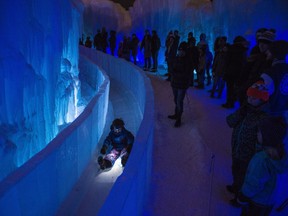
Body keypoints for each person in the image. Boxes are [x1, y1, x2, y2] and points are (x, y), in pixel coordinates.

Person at [226, 81, 269, 206]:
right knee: (235, 169)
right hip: (237, 148)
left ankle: (240, 197)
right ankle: (235, 186)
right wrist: (240, 112)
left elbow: (261, 141)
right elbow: (229, 122)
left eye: (253, 98)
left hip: (249, 155)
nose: (249, 99)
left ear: (262, 99)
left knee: (244, 176)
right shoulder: (245, 109)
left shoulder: (263, 118)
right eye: (249, 96)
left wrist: (255, 157)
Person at [237, 116, 288, 216]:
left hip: (256, 202)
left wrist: (243, 197)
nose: (257, 134)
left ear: (267, 137)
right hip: (269, 201)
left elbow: (253, 184)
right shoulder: (282, 156)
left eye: (259, 132)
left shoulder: (261, 160)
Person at [168, 42, 192, 127]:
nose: (180, 51)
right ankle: (176, 114)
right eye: (179, 50)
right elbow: (171, 68)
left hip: (182, 85)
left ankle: (179, 118)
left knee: (179, 101)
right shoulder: (176, 58)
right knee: (176, 100)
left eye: (182, 50)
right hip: (174, 83)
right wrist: (173, 73)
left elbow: (186, 74)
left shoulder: (188, 61)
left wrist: (175, 73)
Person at [222, 36, 248, 108]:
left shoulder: (230, 49)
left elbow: (226, 61)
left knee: (230, 88)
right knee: (239, 89)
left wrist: (225, 71)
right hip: (240, 73)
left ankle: (230, 103)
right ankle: (240, 104)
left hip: (230, 73)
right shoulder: (244, 50)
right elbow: (245, 62)